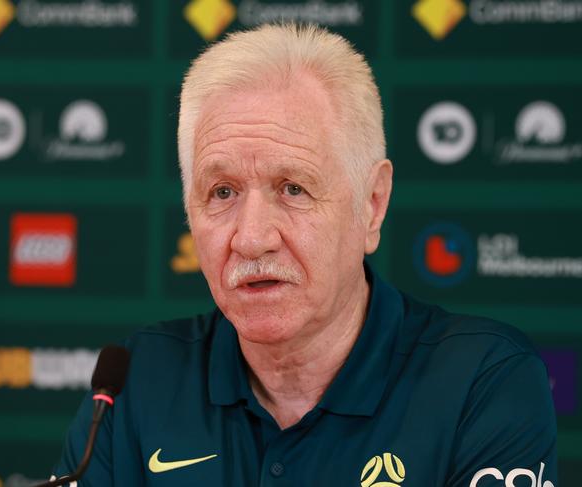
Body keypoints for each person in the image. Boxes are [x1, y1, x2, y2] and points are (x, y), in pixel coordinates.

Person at [52, 24, 557, 486]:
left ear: (372, 204)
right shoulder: (135, 382)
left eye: (293, 188)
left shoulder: (483, 380)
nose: (251, 239)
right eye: (222, 192)